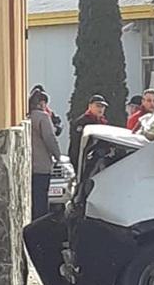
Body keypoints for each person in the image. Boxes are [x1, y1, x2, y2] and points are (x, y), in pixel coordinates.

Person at [28, 91, 61, 220]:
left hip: (28, 166)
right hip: (41, 166)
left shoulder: (27, 117)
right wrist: (58, 155)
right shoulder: (43, 117)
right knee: (41, 201)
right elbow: (50, 138)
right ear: (42, 103)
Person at [68, 95, 109, 170]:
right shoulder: (82, 122)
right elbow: (76, 143)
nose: (101, 109)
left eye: (103, 107)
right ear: (90, 106)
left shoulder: (103, 122)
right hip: (82, 159)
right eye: (98, 106)